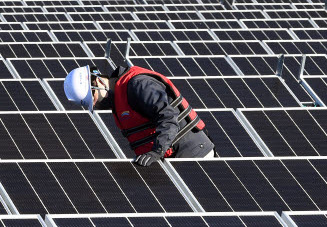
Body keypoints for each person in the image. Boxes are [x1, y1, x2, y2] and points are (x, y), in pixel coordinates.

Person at [63, 64, 215, 165]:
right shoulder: (119, 100)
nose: (96, 105)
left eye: (93, 99)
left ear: (98, 82)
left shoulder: (139, 85)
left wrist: (157, 151)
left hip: (193, 154)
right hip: (175, 158)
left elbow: (168, 117)